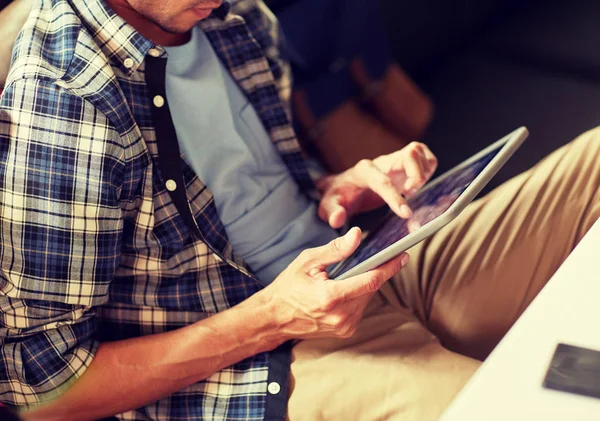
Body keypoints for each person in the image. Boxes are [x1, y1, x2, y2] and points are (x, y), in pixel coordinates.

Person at [0, 1, 598, 421]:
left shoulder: (231, 18)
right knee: (534, 408)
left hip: (361, 263)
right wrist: (272, 318)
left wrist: (335, 187)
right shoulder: (61, 106)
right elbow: (45, 394)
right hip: (268, 359)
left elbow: (248, 182)